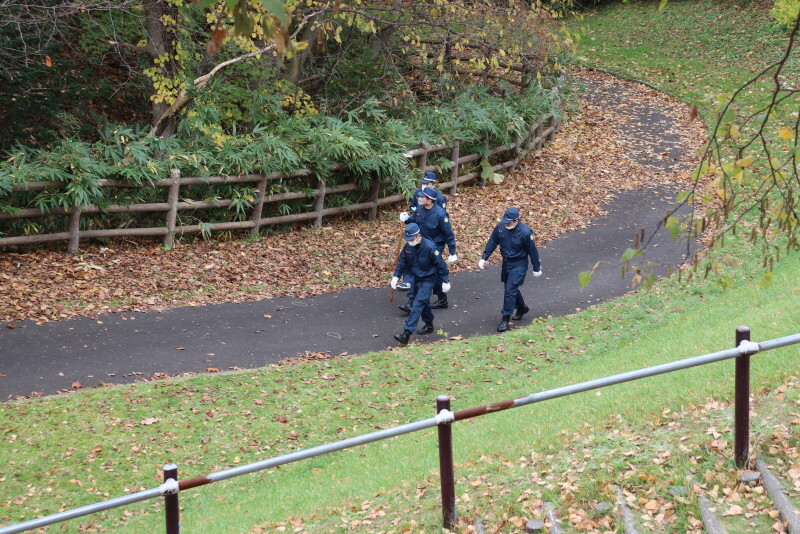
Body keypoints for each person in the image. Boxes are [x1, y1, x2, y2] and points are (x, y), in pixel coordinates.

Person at [479, 208, 541, 332]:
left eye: (509, 222)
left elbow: (532, 251)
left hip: (519, 264)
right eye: (505, 221)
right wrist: (484, 257)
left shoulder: (525, 232)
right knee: (510, 288)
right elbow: (493, 241)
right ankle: (522, 307)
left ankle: (505, 319)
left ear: (516, 221)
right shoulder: (501, 227)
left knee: (510, 290)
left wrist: (536, 267)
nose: (506, 224)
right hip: (506, 263)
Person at [390, 223, 451, 345]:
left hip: (428, 279)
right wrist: (396, 276)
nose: (409, 242)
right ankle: (429, 324)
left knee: (417, 304)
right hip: (416, 278)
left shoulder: (430, 248)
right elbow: (402, 261)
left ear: (418, 236)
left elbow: (441, 265)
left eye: (411, 239)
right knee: (424, 303)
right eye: (407, 240)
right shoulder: (408, 246)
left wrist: (445, 280)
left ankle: (406, 334)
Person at [397, 188, 456, 313]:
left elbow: (448, 233)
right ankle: (434, 299)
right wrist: (407, 219)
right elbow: (416, 221)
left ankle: (416, 302)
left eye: (423, 197)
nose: (419, 198)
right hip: (420, 244)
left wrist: (452, 251)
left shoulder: (440, 214)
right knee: (419, 270)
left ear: (429, 201)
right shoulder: (419, 209)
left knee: (427, 271)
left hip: (435, 246)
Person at [396, 171, 447, 291]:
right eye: (423, 182)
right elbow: (413, 208)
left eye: (427, 183)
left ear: (433, 184)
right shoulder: (418, 193)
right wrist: (408, 218)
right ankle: (408, 281)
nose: (424, 185)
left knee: (429, 260)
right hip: (418, 230)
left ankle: (437, 284)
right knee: (409, 255)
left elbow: (441, 217)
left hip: (433, 235)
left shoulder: (439, 198)